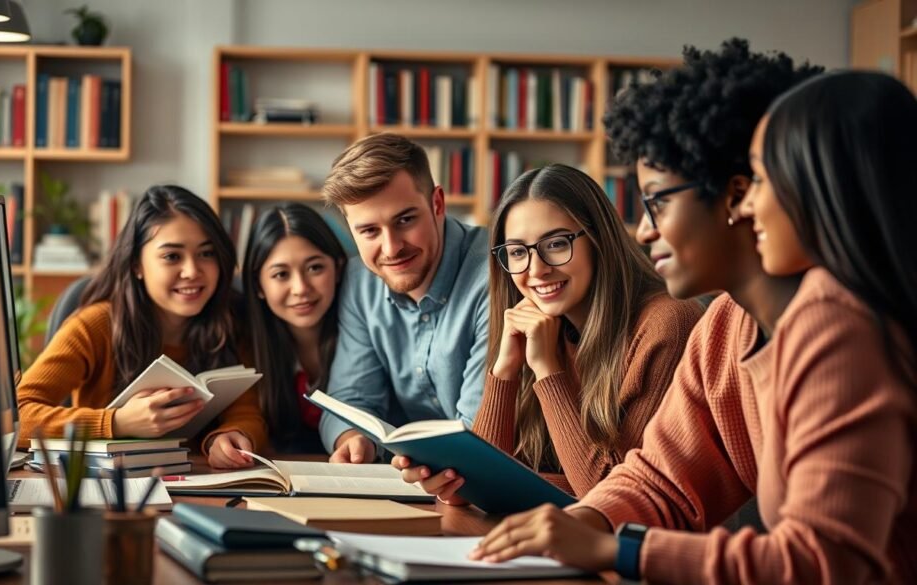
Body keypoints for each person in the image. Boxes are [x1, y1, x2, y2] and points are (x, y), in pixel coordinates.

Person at [468, 39, 884, 584]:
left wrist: (617, 550)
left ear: (735, 197)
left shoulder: (839, 334)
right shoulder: (723, 327)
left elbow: (823, 563)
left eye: (658, 202)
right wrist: (581, 523)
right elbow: (660, 479)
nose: (643, 230)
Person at [392, 164, 702, 502]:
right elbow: (477, 486)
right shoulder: (542, 326)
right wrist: (505, 370)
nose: (536, 270)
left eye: (555, 244)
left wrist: (546, 369)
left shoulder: (668, 324)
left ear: (598, 239)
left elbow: (612, 497)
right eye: (517, 252)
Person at [738, 70, 916, 582]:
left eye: (760, 179)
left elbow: (819, 562)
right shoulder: (864, 306)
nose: (746, 205)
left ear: (822, 183)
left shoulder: (839, 318)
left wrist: (622, 551)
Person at [17, 185, 264, 469]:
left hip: (196, 480)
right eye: (172, 256)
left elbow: (247, 412)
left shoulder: (229, 322)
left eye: (206, 254)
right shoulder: (95, 325)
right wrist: (116, 422)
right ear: (137, 265)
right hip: (108, 484)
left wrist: (229, 437)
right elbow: (16, 417)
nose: (192, 271)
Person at [319, 132, 489, 463]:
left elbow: (480, 431)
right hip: (412, 477)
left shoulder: (497, 275)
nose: (391, 248)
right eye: (369, 231)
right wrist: (354, 439)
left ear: (437, 204)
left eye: (405, 220)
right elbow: (350, 398)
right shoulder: (359, 280)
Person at [242, 203, 346, 454]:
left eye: (315, 268)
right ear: (258, 285)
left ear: (338, 268)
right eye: (281, 274)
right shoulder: (245, 342)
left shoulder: (364, 335)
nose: (300, 288)